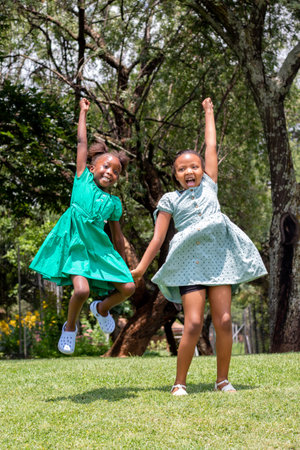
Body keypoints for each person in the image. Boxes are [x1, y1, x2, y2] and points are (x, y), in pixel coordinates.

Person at [131, 97, 267, 395]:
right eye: (182, 168)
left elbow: (212, 147)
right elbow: (157, 238)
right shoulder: (170, 200)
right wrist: (141, 268)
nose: (189, 171)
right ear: (175, 174)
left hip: (220, 261)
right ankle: (179, 383)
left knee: (225, 320)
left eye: (194, 166)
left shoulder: (210, 185)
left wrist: (209, 113)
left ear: (203, 170)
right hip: (190, 264)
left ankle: (222, 380)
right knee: (192, 324)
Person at [30, 98, 135, 355]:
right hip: (76, 244)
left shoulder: (114, 203)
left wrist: (122, 262)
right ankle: (70, 328)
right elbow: (81, 143)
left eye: (116, 171)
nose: (110, 172)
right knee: (81, 290)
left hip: (98, 248)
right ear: (91, 168)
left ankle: (101, 308)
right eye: (105, 166)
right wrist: (83, 113)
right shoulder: (81, 179)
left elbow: (118, 236)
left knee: (129, 287)